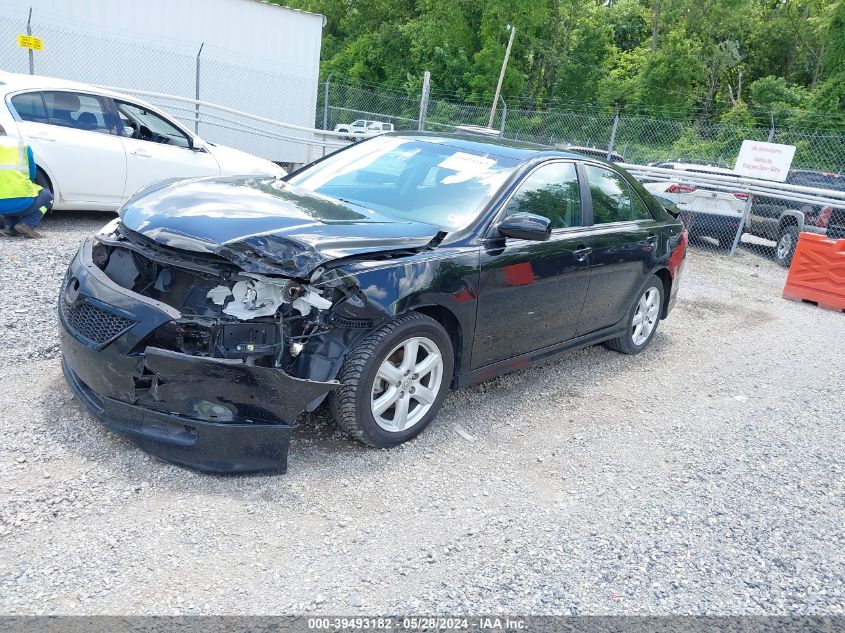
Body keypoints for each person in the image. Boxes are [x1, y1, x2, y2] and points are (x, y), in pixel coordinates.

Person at [0, 124, 53, 238]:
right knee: (47, 196)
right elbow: (32, 174)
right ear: (5, 134)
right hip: (23, 204)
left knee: (7, 196)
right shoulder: (21, 146)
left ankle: (8, 227)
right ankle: (27, 224)